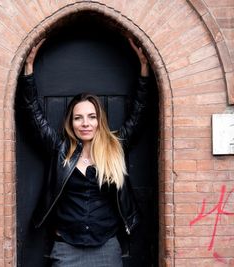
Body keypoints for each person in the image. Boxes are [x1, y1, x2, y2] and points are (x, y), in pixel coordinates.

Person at [17, 37, 149, 267]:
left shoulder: (115, 148)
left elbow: (138, 114)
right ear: (71, 122)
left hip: (107, 247)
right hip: (66, 249)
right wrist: (28, 71)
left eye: (91, 117)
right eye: (78, 118)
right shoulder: (60, 151)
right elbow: (33, 116)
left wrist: (145, 73)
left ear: (99, 120)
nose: (85, 123)